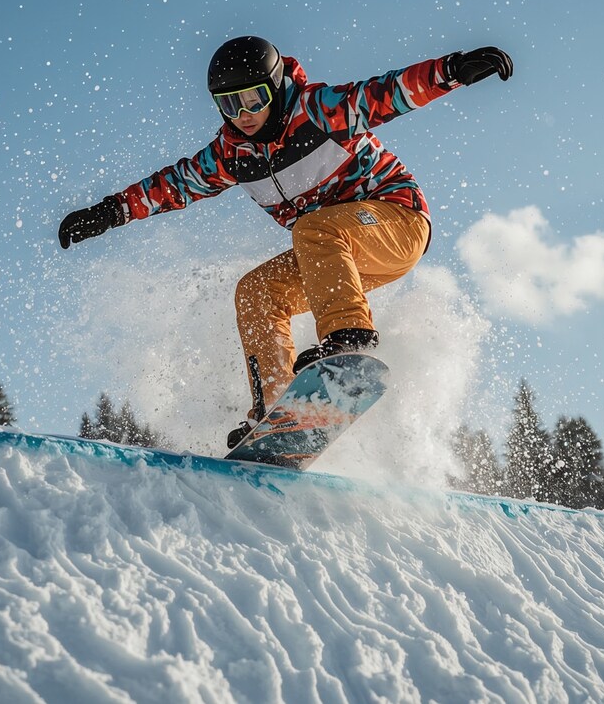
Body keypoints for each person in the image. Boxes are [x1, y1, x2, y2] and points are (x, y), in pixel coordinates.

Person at [58, 36, 512, 447]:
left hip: (395, 222)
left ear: (276, 87)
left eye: (253, 99)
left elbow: (388, 93)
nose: (244, 115)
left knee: (313, 229)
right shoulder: (230, 156)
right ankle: (276, 411)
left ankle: (348, 340)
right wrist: (108, 212)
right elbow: (172, 186)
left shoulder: (319, 111)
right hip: (334, 259)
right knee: (256, 292)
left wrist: (452, 69)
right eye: (228, 105)